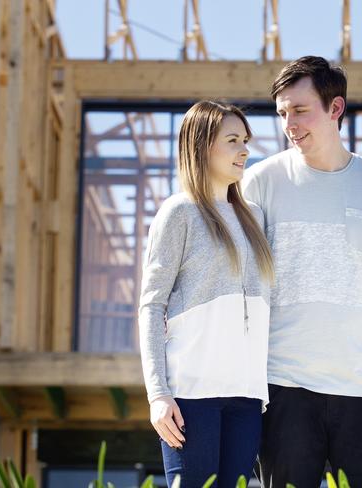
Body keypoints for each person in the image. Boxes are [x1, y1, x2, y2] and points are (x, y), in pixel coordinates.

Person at [242, 56, 362, 488]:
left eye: (300, 110)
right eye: (282, 113)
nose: (289, 124)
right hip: (284, 386)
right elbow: (242, 281)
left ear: (335, 108)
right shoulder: (259, 183)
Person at [138, 101, 274, 488]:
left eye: (245, 140)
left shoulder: (256, 218)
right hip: (191, 398)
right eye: (232, 140)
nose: (244, 149)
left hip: (247, 398)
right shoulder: (179, 212)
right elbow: (151, 306)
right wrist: (158, 394)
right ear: (201, 146)